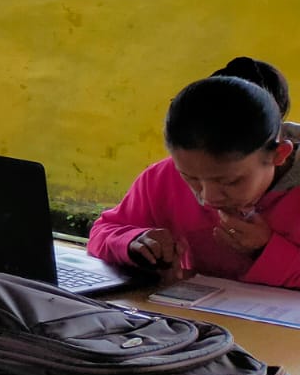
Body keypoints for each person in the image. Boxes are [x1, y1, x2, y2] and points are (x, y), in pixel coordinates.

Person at [90, 58, 300, 288]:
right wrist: (132, 243)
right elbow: (103, 231)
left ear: (279, 155)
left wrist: (265, 248)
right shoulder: (163, 178)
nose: (208, 198)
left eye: (230, 181)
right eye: (190, 178)